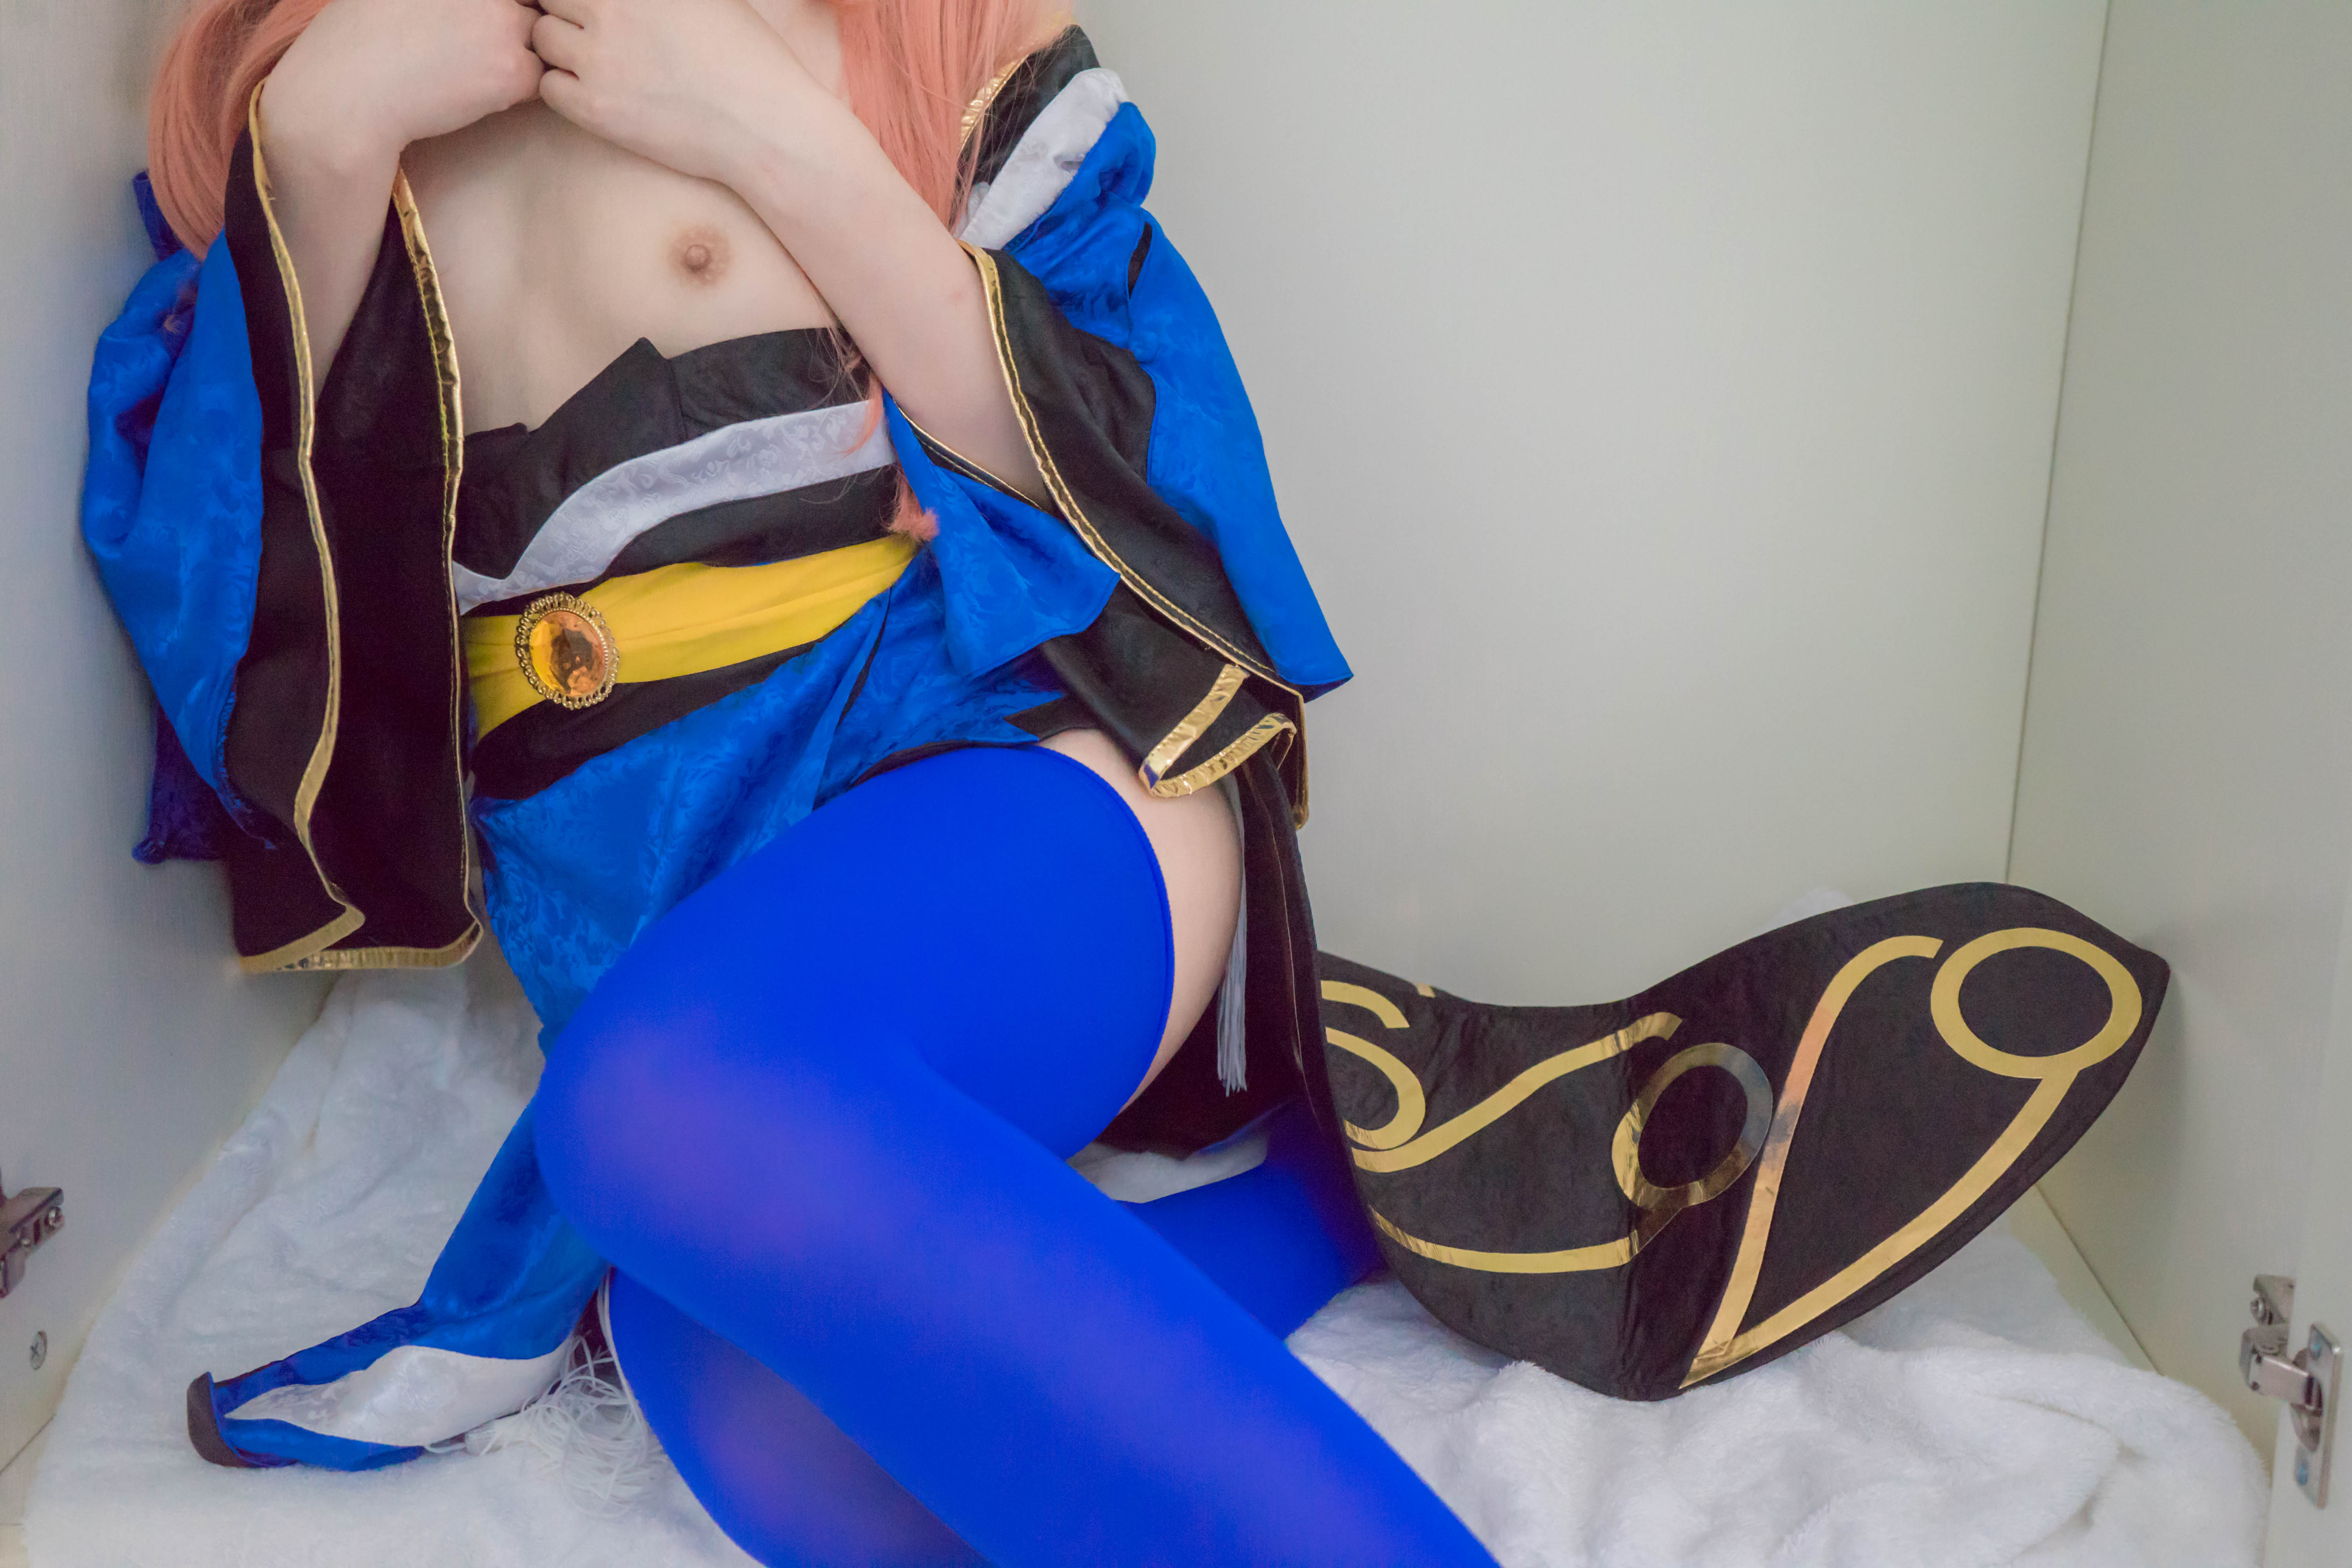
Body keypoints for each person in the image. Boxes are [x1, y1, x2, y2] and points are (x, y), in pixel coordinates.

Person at [98, 0, 1503, 1561]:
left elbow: (1139, 465)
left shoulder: (921, 33)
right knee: (736, 1377)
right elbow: (236, 629)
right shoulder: (303, 79)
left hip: (1020, 777)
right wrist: (317, 142)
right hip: (644, 906)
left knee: (645, 1108)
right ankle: (1308, 1204)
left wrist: (766, 131)